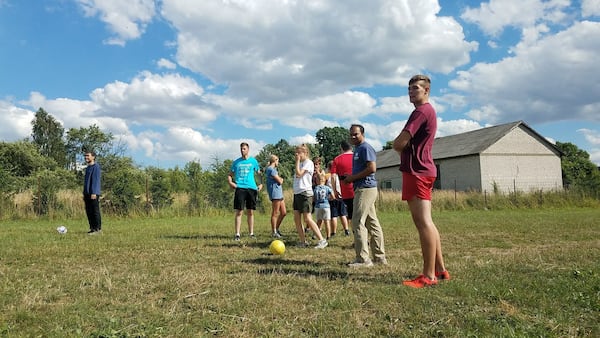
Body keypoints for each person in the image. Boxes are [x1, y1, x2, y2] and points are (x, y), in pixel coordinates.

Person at [393, 74, 450, 288]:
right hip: (423, 169)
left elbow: (399, 142)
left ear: (427, 90)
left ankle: (428, 276)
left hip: (417, 170)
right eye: (409, 89)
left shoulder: (421, 112)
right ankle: (440, 270)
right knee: (428, 222)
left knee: (423, 223)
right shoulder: (429, 111)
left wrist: (401, 150)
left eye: (415, 88)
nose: (411, 92)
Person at [343, 125, 386, 267]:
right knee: (372, 222)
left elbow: (372, 168)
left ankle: (363, 259)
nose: (353, 137)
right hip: (364, 188)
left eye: (356, 134)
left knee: (357, 221)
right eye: (351, 135)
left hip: (365, 188)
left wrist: (353, 178)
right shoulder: (358, 149)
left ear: (362, 134)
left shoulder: (365, 148)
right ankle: (379, 258)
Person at [292, 144, 328, 249]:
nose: (297, 155)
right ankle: (303, 241)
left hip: (305, 193)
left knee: (307, 218)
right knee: (296, 218)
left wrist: (297, 161)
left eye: (299, 153)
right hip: (297, 193)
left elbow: (299, 174)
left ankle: (322, 240)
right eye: (296, 153)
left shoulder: (308, 163)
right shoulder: (301, 163)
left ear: (305, 153)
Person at [228, 142, 263, 241]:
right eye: (241, 149)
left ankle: (251, 233)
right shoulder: (236, 162)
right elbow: (230, 174)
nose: (242, 151)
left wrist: (260, 184)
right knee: (239, 211)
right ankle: (237, 234)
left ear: (248, 149)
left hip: (251, 188)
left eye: (244, 149)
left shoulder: (253, 161)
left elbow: (259, 173)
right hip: (240, 188)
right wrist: (231, 183)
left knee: (250, 211)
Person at [331, 140, 353, 236]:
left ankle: (358, 238)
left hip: (346, 192)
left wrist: (335, 190)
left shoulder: (337, 159)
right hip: (358, 189)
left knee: (351, 216)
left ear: (341, 148)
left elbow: (333, 177)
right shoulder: (356, 157)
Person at [265, 154, 286, 238]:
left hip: (279, 193)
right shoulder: (271, 169)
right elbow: (280, 181)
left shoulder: (273, 169)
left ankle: (276, 228)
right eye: (278, 161)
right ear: (275, 161)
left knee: (283, 212)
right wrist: (281, 179)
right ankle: (274, 231)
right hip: (275, 193)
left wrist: (280, 179)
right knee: (275, 213)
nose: (278, 163)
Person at [326, 160, 349, 237]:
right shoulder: (339, 176)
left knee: (334, 216)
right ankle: (346, 230)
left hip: (332, 198)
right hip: (340, 197)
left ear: (329, 169)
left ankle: (333, 232)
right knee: (343, 214)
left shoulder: (330, 178)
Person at [83, 150, 102, 235]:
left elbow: (95, 180)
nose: (86, 157)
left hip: (93, 193)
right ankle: (92, 228)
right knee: (89, 211)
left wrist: (94, 192)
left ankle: (98, 229)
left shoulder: (96, 167)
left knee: (95, 211)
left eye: (88, 156)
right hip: (87, 193)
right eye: (85, 156)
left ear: (93, 157)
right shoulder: (87, 168)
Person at [313, 173, 335, 239]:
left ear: (317, 181)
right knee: (327, 221)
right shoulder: (327, 188)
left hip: (318, 206)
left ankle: (315, 234)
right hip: (326, 206)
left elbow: (313, 198)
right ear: (325, 180)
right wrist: (329, 199)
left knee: (319, 221)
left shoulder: (315, 188)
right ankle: (328, 236)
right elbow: (333, 197)